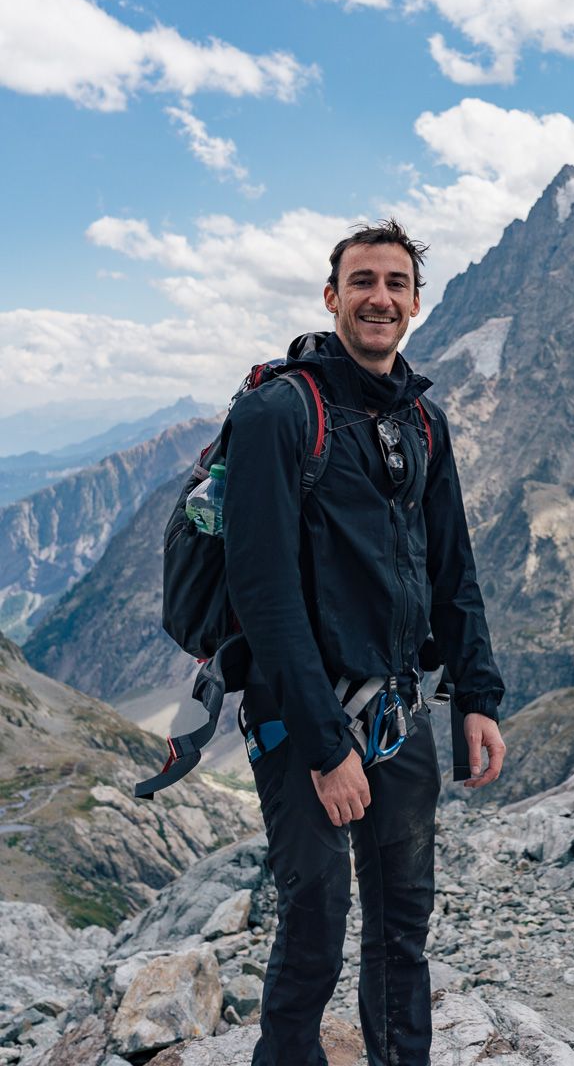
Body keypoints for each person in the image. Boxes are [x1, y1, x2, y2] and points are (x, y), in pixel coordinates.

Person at [220, 218, 506, 1066]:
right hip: (299, 717)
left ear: (416, 303)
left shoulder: (423, 421)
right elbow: (261, 592)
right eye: (363, 281)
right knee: (315, 924)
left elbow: (453, 565)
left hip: (399, 715)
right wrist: (322, 745)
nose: (380, 297)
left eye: (396, 283)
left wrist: (477, 699)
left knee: (402, 929)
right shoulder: (278, 412)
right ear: (332, 296)